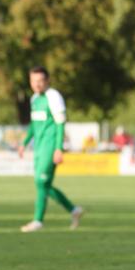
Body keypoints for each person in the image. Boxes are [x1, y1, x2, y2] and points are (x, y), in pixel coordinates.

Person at [18, 67, 82, 232]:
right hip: (39, 147)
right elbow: (34, 124)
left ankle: (38, 221)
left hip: (50, 146)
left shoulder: (53, 96)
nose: (37, 84)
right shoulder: (34, 99)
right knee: (43, 184)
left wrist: (58, 148)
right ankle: (74, 210)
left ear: (47, 81)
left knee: (41, 182)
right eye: (34, 81)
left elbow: (60, 123)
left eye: (40, 81)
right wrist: (24, 142)